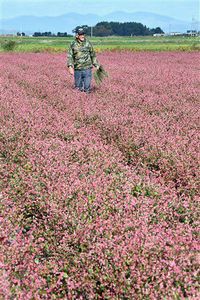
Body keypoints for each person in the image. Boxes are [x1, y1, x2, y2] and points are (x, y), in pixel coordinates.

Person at [67, 27, 100, 94]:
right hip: (77, 69)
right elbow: (70, 56)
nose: (82, 36)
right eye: (80, 34)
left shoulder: (88, 43)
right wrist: (70, 66)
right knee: (78, 88)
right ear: (77, 35)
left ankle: (87, 101)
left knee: (87, 88)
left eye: (83, 34)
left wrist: (96, 65)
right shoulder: (72, 44)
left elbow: (92, 55)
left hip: (87, 68)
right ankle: (79, 102)